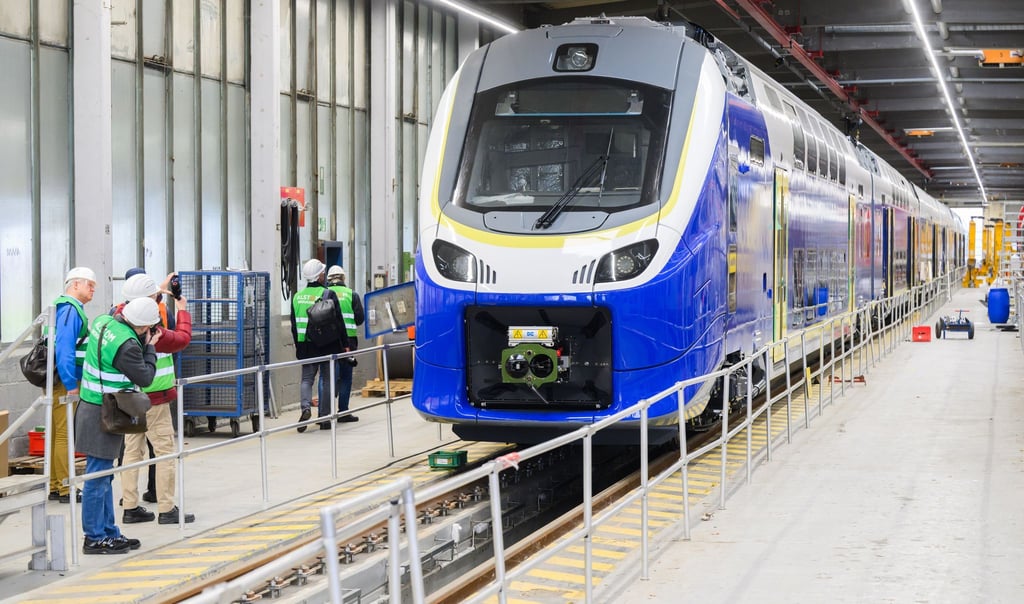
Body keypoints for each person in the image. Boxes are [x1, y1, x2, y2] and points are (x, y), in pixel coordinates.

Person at [76, 297, 162, 554]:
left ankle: (108, 532)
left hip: (91, 406)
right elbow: (145, 377)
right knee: (97, 477)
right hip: (104, 413)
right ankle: (93, 537)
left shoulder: (104, 321)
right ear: (145, 327)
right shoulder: (128, 346)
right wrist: (150, 348)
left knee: (103, 475)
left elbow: (116, 309)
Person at [116, 273, 196, 526]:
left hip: (127, 397)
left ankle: (129, 506)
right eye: (153, 296)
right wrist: (182, 309)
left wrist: (160, 289)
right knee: (164, 453)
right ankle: (166, 508)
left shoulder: (118, 317)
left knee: (132, 452)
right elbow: (182, 339)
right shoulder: (152, 330)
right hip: (155, 399)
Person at [46, 267, 96, 503]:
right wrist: (70, 383)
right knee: (64, 433)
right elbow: (64, 347)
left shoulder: (62, 307)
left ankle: (57, 485)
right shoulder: (70, 310)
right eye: (89, 284)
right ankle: (65, 487)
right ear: (75, 285)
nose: (93, 289)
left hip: (59, 378)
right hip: (66, 380)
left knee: (58, 432)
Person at [290, 259, 348, 432]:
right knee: (326, 379)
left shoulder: (296, 297)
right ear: (319, 276)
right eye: (322, 273)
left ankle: (306, 408)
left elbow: (294, 325)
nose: (324, 275)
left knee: (307, 379)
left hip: (304, 345)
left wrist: (298, 345)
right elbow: (339, 322)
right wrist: (344, 344)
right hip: (326, 344)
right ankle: (324, 418)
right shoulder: (327, 294)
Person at [326, 265, 364, 423]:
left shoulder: (324, 293)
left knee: (328, 377)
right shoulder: (352, 294)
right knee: (346, 376)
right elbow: (359, 319)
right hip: (349, 340)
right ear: (343, 278)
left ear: (329, 279)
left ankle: (325, 413)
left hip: (329, 340)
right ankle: (343, 411)